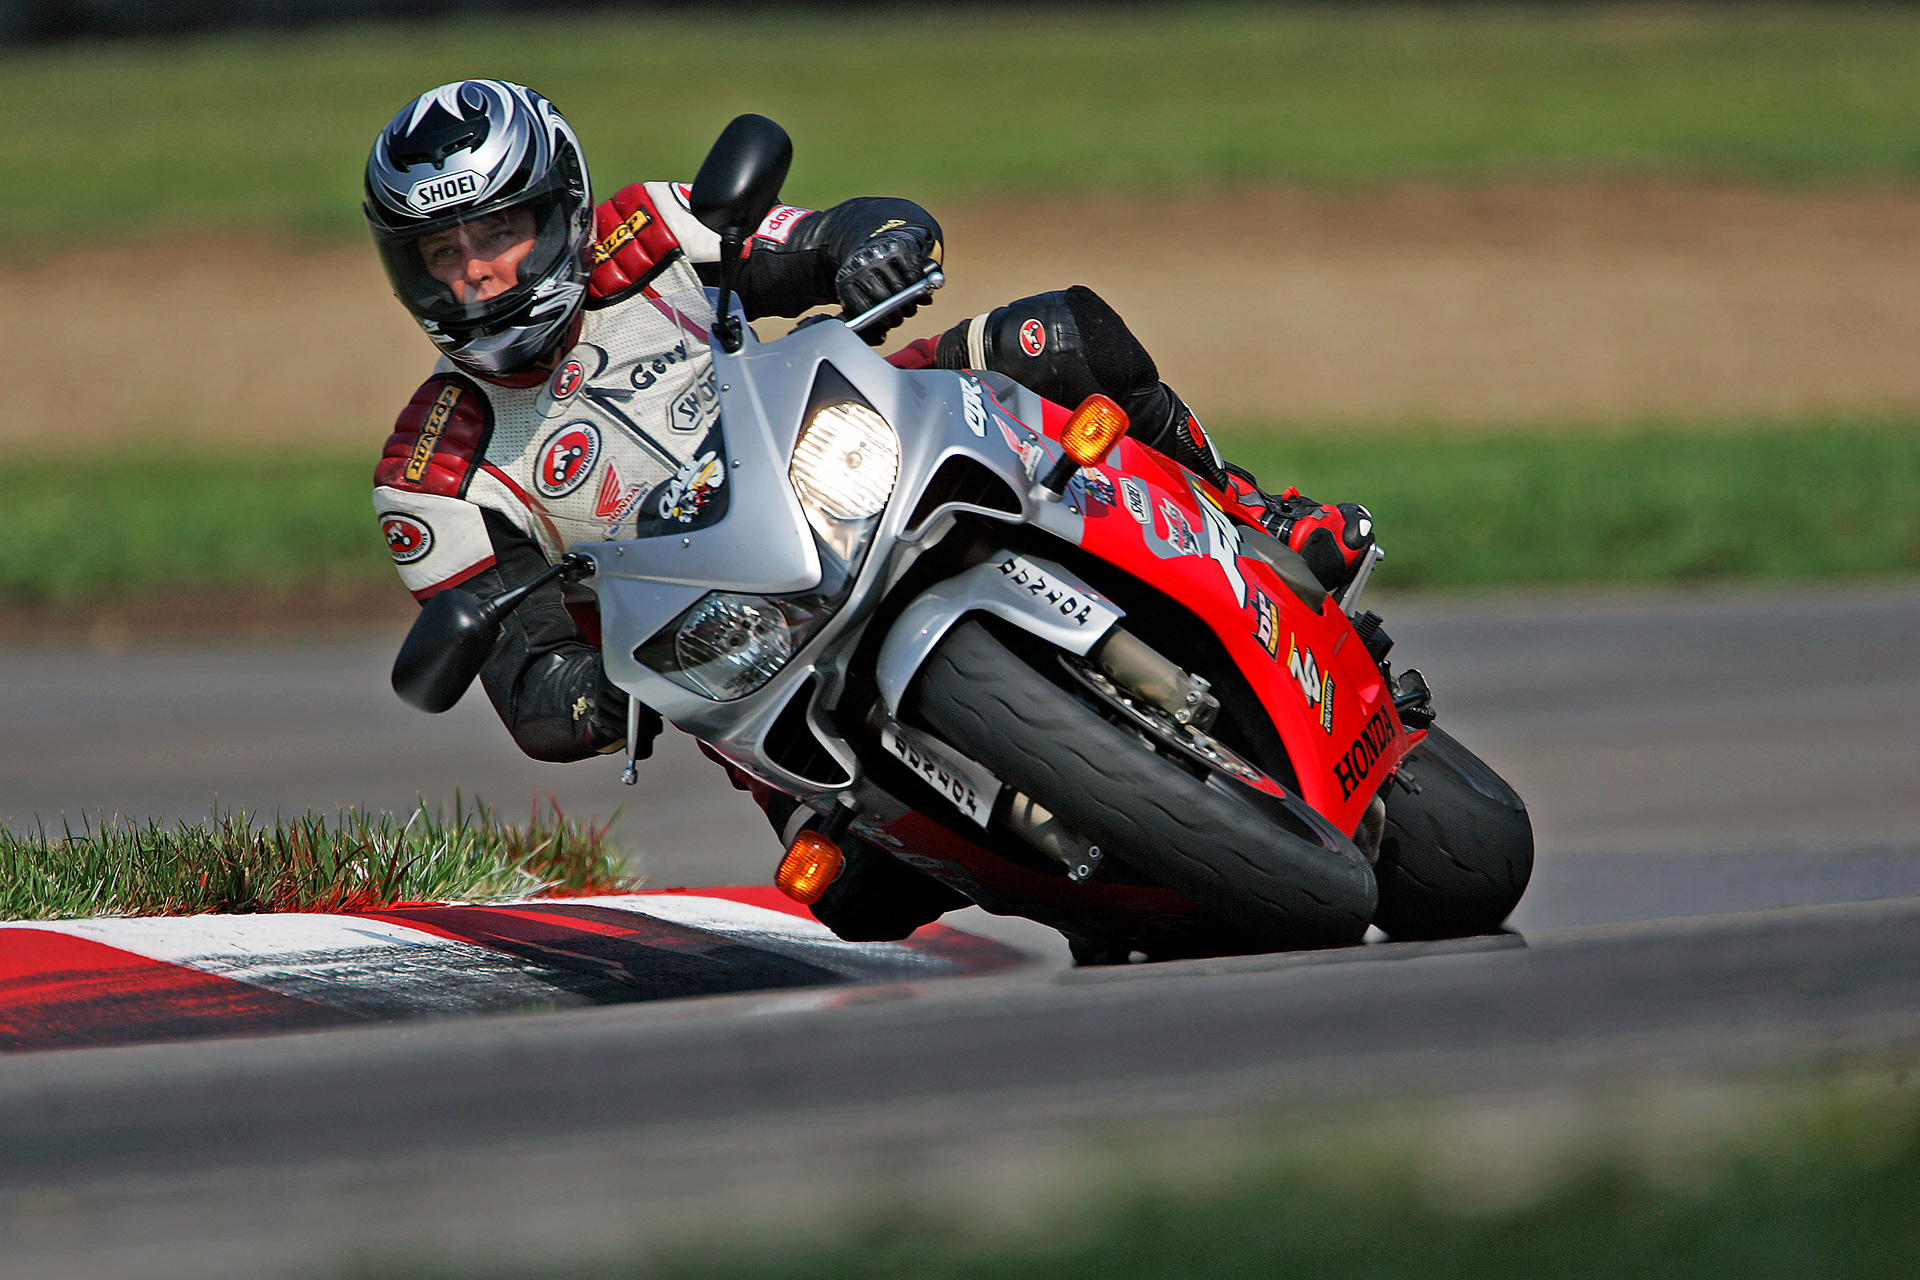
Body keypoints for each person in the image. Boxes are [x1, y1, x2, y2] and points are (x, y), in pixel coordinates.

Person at [368, 79, 1375, 775]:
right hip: (742, 656)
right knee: (857, 890)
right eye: (441, 254)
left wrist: (874, 250)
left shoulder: (650, 233)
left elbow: (830, 232)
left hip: (849, 460)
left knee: (1060, 334)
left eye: (501, 231)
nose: (477, 272)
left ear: (564, 211)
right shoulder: (429, 473)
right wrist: (590, 693)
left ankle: (1253, 518)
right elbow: (529, 686)